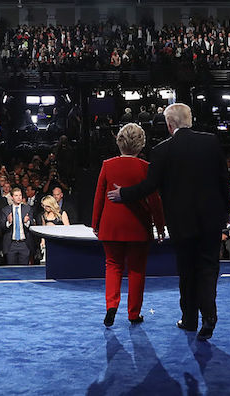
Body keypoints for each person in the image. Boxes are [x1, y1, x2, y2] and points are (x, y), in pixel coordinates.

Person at [108, 103, 230, 341]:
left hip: (181, 222)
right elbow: (223, 179)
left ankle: (189, 320)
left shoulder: (162, 150)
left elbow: (149, 187)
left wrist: (123, 194)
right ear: (190, 120)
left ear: (169, 125)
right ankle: (209, 316)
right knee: (208, 268)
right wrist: (227, 211)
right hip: (211, 219)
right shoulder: (211, 142)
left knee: (187, 271)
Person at [92, 123, 165, 326]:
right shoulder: (146, 168)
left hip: (111, 225)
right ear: (141, 144)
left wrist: (95, 223)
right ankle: (133, 314)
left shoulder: (107, 165)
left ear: (119, 142)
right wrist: (160, 227)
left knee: (113, 266)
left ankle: (111, 306)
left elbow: (99, 197)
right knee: (137, 270)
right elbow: (155, 201)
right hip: (138, 226)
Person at [0, 188, 35, 265]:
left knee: (24, 270)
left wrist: (27, 222)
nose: (19, 197)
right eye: (16, 195)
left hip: (24, 244)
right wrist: (8, 222)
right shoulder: (5, 210)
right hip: (11, 244)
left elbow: (33, 226)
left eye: (20, 195)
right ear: (12, 197)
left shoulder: (27, 209)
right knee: (12, 270)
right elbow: (1, 227)